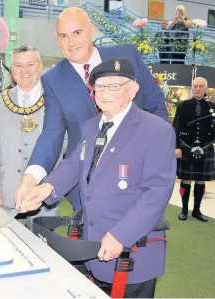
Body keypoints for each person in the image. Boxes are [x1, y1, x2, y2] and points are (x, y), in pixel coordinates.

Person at [18, 58, 176, 298]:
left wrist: (121, 235)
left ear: (133, 89)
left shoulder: (156, 131)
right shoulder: (91, 127)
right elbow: (74, 163)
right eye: (99, 87)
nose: (105, 93)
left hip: (131, 254)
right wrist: (47, 188)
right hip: (91, 248)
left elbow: (156, 192)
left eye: (114, 86)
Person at [15, 7, 169, 210]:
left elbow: (155, 104)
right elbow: (51, 134)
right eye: (63, 36)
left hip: (137, 179)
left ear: (92, 31)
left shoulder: (127, 56)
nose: (71, 42)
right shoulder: (53, 80)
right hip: (86, 185)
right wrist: (30, 178)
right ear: (57, 39)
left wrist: (156, 156)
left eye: (77, 32)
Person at [0, 45, 65, 230]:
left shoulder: (56, 98)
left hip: (44, 190)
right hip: (7, 190)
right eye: (18, 66)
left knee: (42, 248)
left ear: (40, 66)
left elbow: (63, 143)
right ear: (12, 71)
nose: (24, 71)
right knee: (8, 246)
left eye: (30, 64)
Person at [173, 77, 214, 222]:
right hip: (186, 146)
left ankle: (197, 210)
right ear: (192, 88)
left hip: (206, 147)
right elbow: (176, 127)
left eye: (201, 86)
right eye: (195, 86)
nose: (198, 89)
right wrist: (176, 146)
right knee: (186, 179)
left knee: (201, 180)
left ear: (205, 89)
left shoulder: (212, 107)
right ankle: (184, 210)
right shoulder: (183, 105)